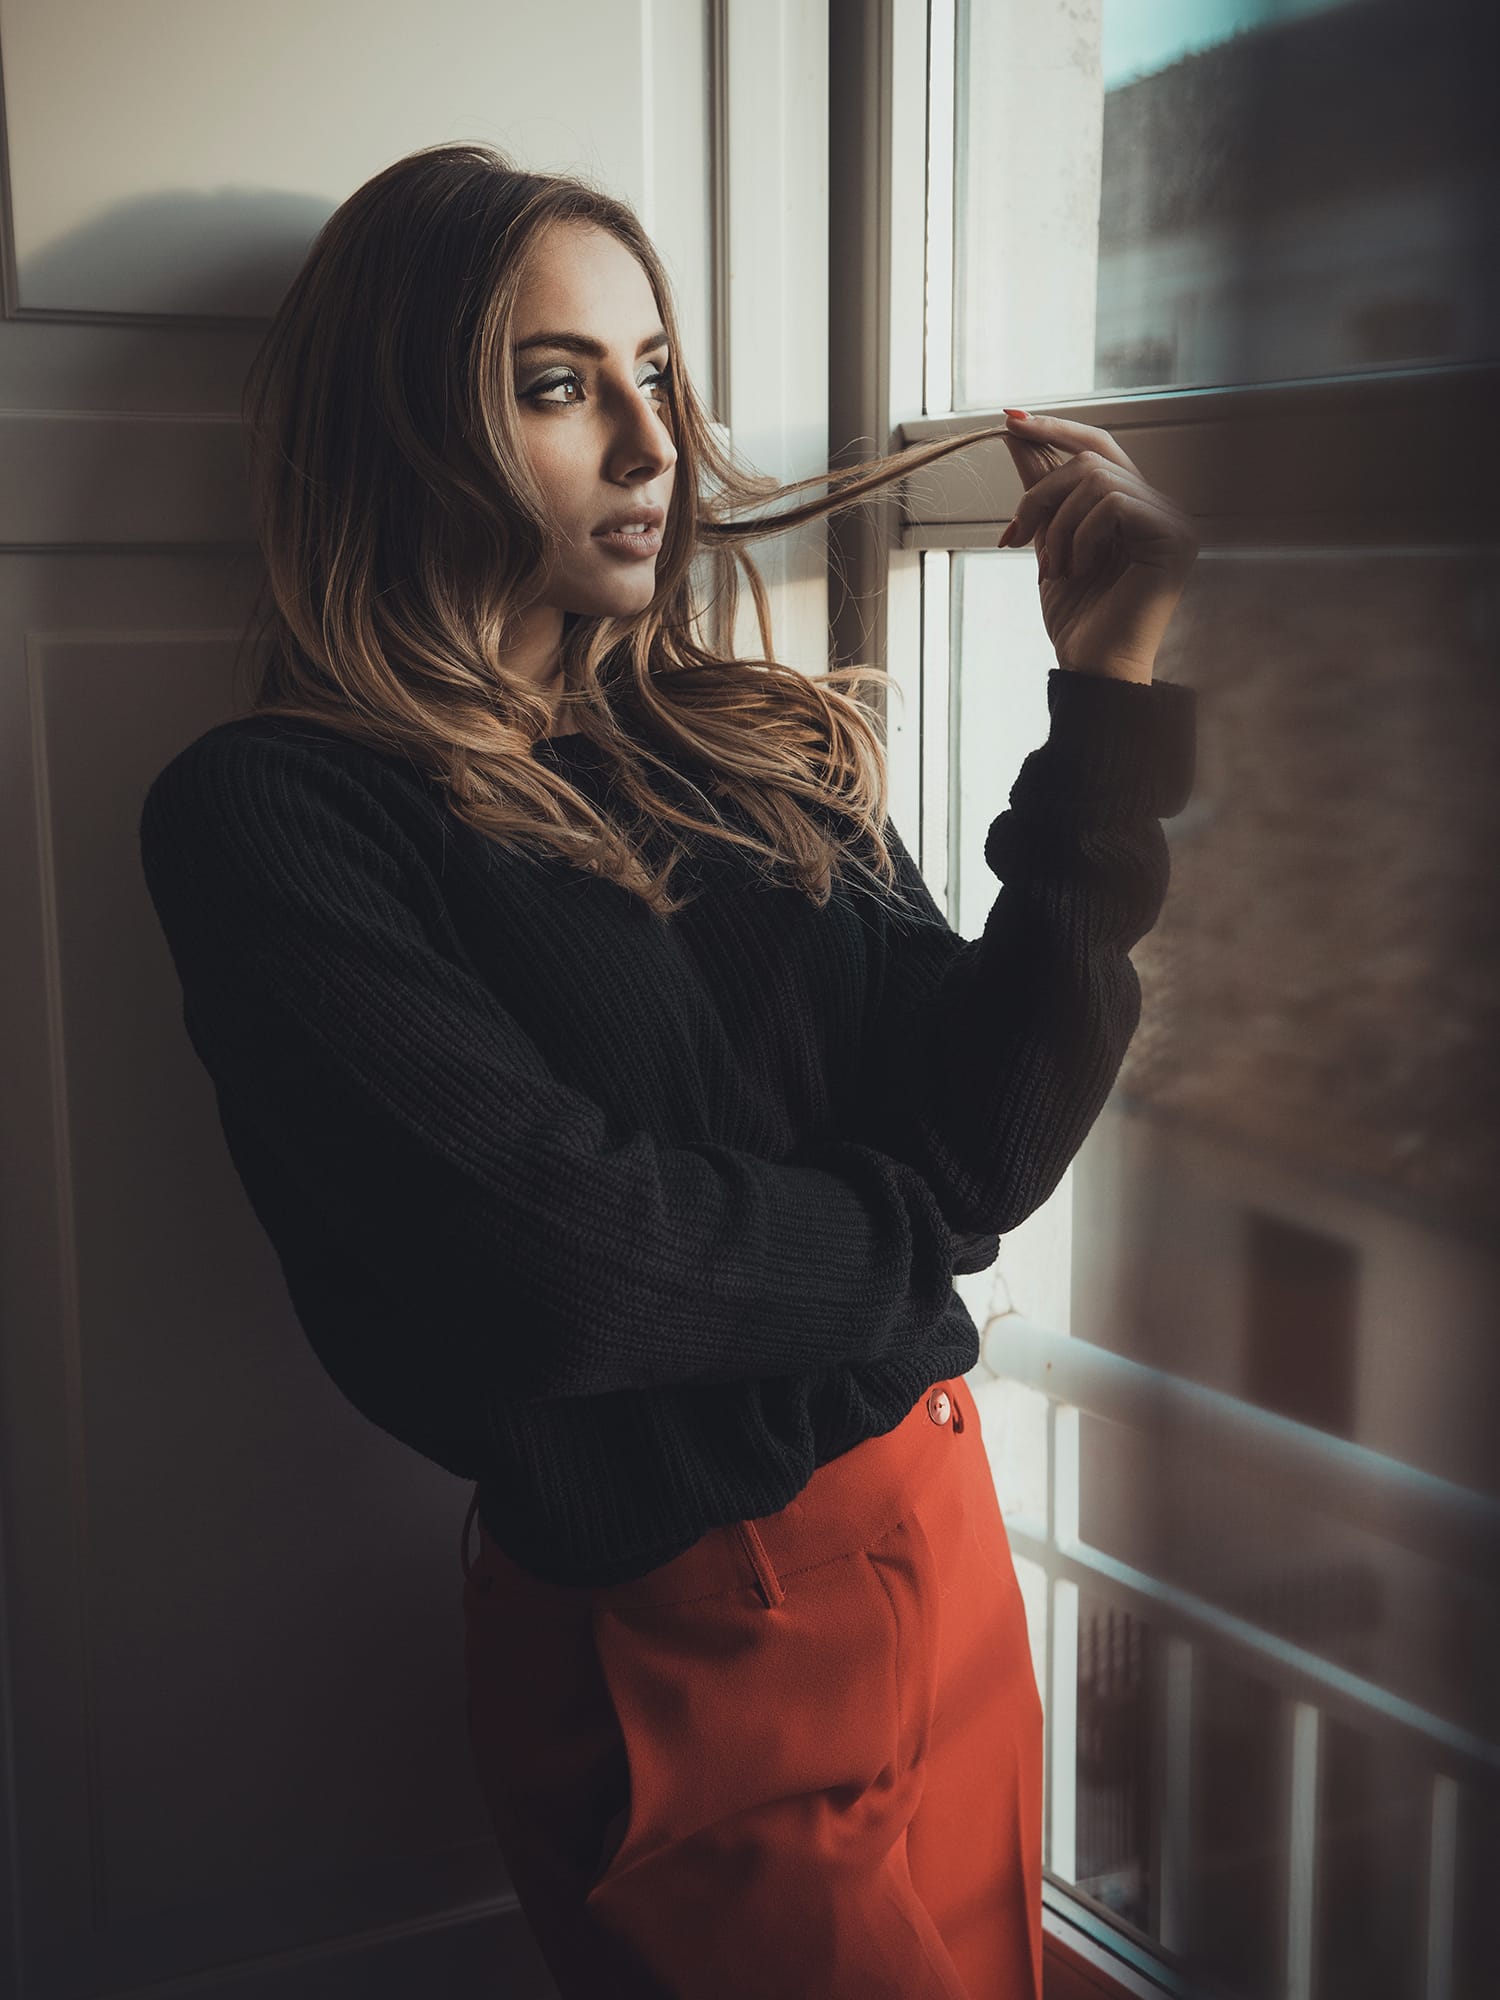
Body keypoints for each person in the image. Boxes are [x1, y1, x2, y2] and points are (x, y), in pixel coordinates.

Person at [138, 141, 1198, 1999]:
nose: (653, 447)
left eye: (654, 378)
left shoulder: (746, 744)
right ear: (400, 424)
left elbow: (991, 1123)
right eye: (560, 385)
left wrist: (1107, 685)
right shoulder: (277, 813)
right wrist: (908, 1237)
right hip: (683, 1623)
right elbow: (563, 1269)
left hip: (935, 1524)